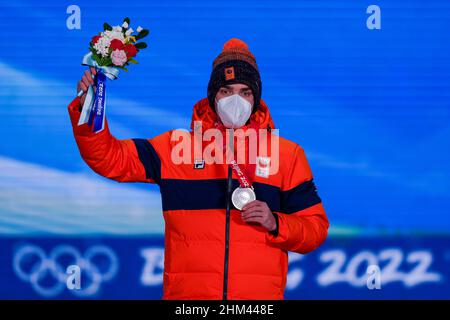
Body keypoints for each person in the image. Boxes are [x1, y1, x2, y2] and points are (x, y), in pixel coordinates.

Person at [68, 38, 329, 300]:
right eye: (227, 91)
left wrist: (276, 223)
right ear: (213, 94)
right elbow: (108, 158)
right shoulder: (174, 147)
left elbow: (314, 230)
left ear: (256, 97)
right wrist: (88, 107)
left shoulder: (287, 154)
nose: (235, 100)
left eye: (245, 92)